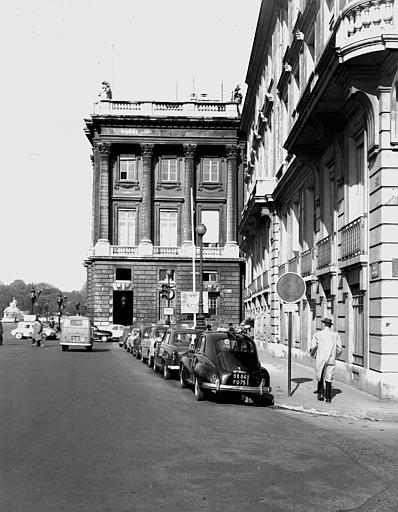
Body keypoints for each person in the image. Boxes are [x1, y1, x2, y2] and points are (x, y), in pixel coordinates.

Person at [309, 317, 342, 403]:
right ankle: (328, 398)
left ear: (323, 325)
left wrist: (313, 355)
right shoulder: (335, 335)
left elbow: (313, 347)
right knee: (329, 377)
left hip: (320, 357)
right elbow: (339, 349)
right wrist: (336, 356)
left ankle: (320, 394)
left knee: (320, 375)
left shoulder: (317, 334)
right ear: (330, 326)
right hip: (331, 358)